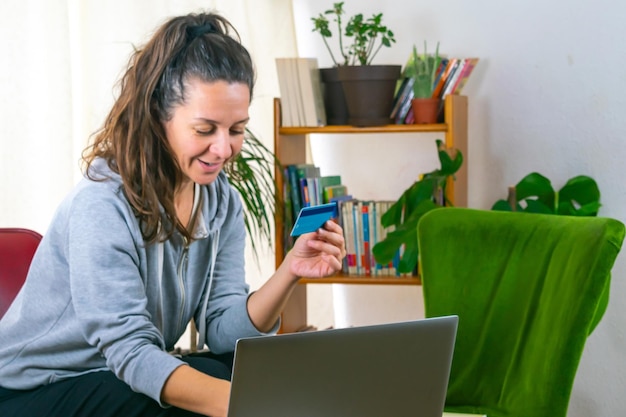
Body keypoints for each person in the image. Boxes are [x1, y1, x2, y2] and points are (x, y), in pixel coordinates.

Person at [0, 11, 346, 417]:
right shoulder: (102, 205)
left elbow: (221, 330)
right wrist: (251, 405)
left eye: (236, 130)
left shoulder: (221, 202)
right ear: (160, 116)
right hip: (36, 389)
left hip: (114, 375)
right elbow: (130, 353)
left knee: (250, 368)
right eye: (205, 130)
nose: (223, 149)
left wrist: (291, 270)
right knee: (180, 397)